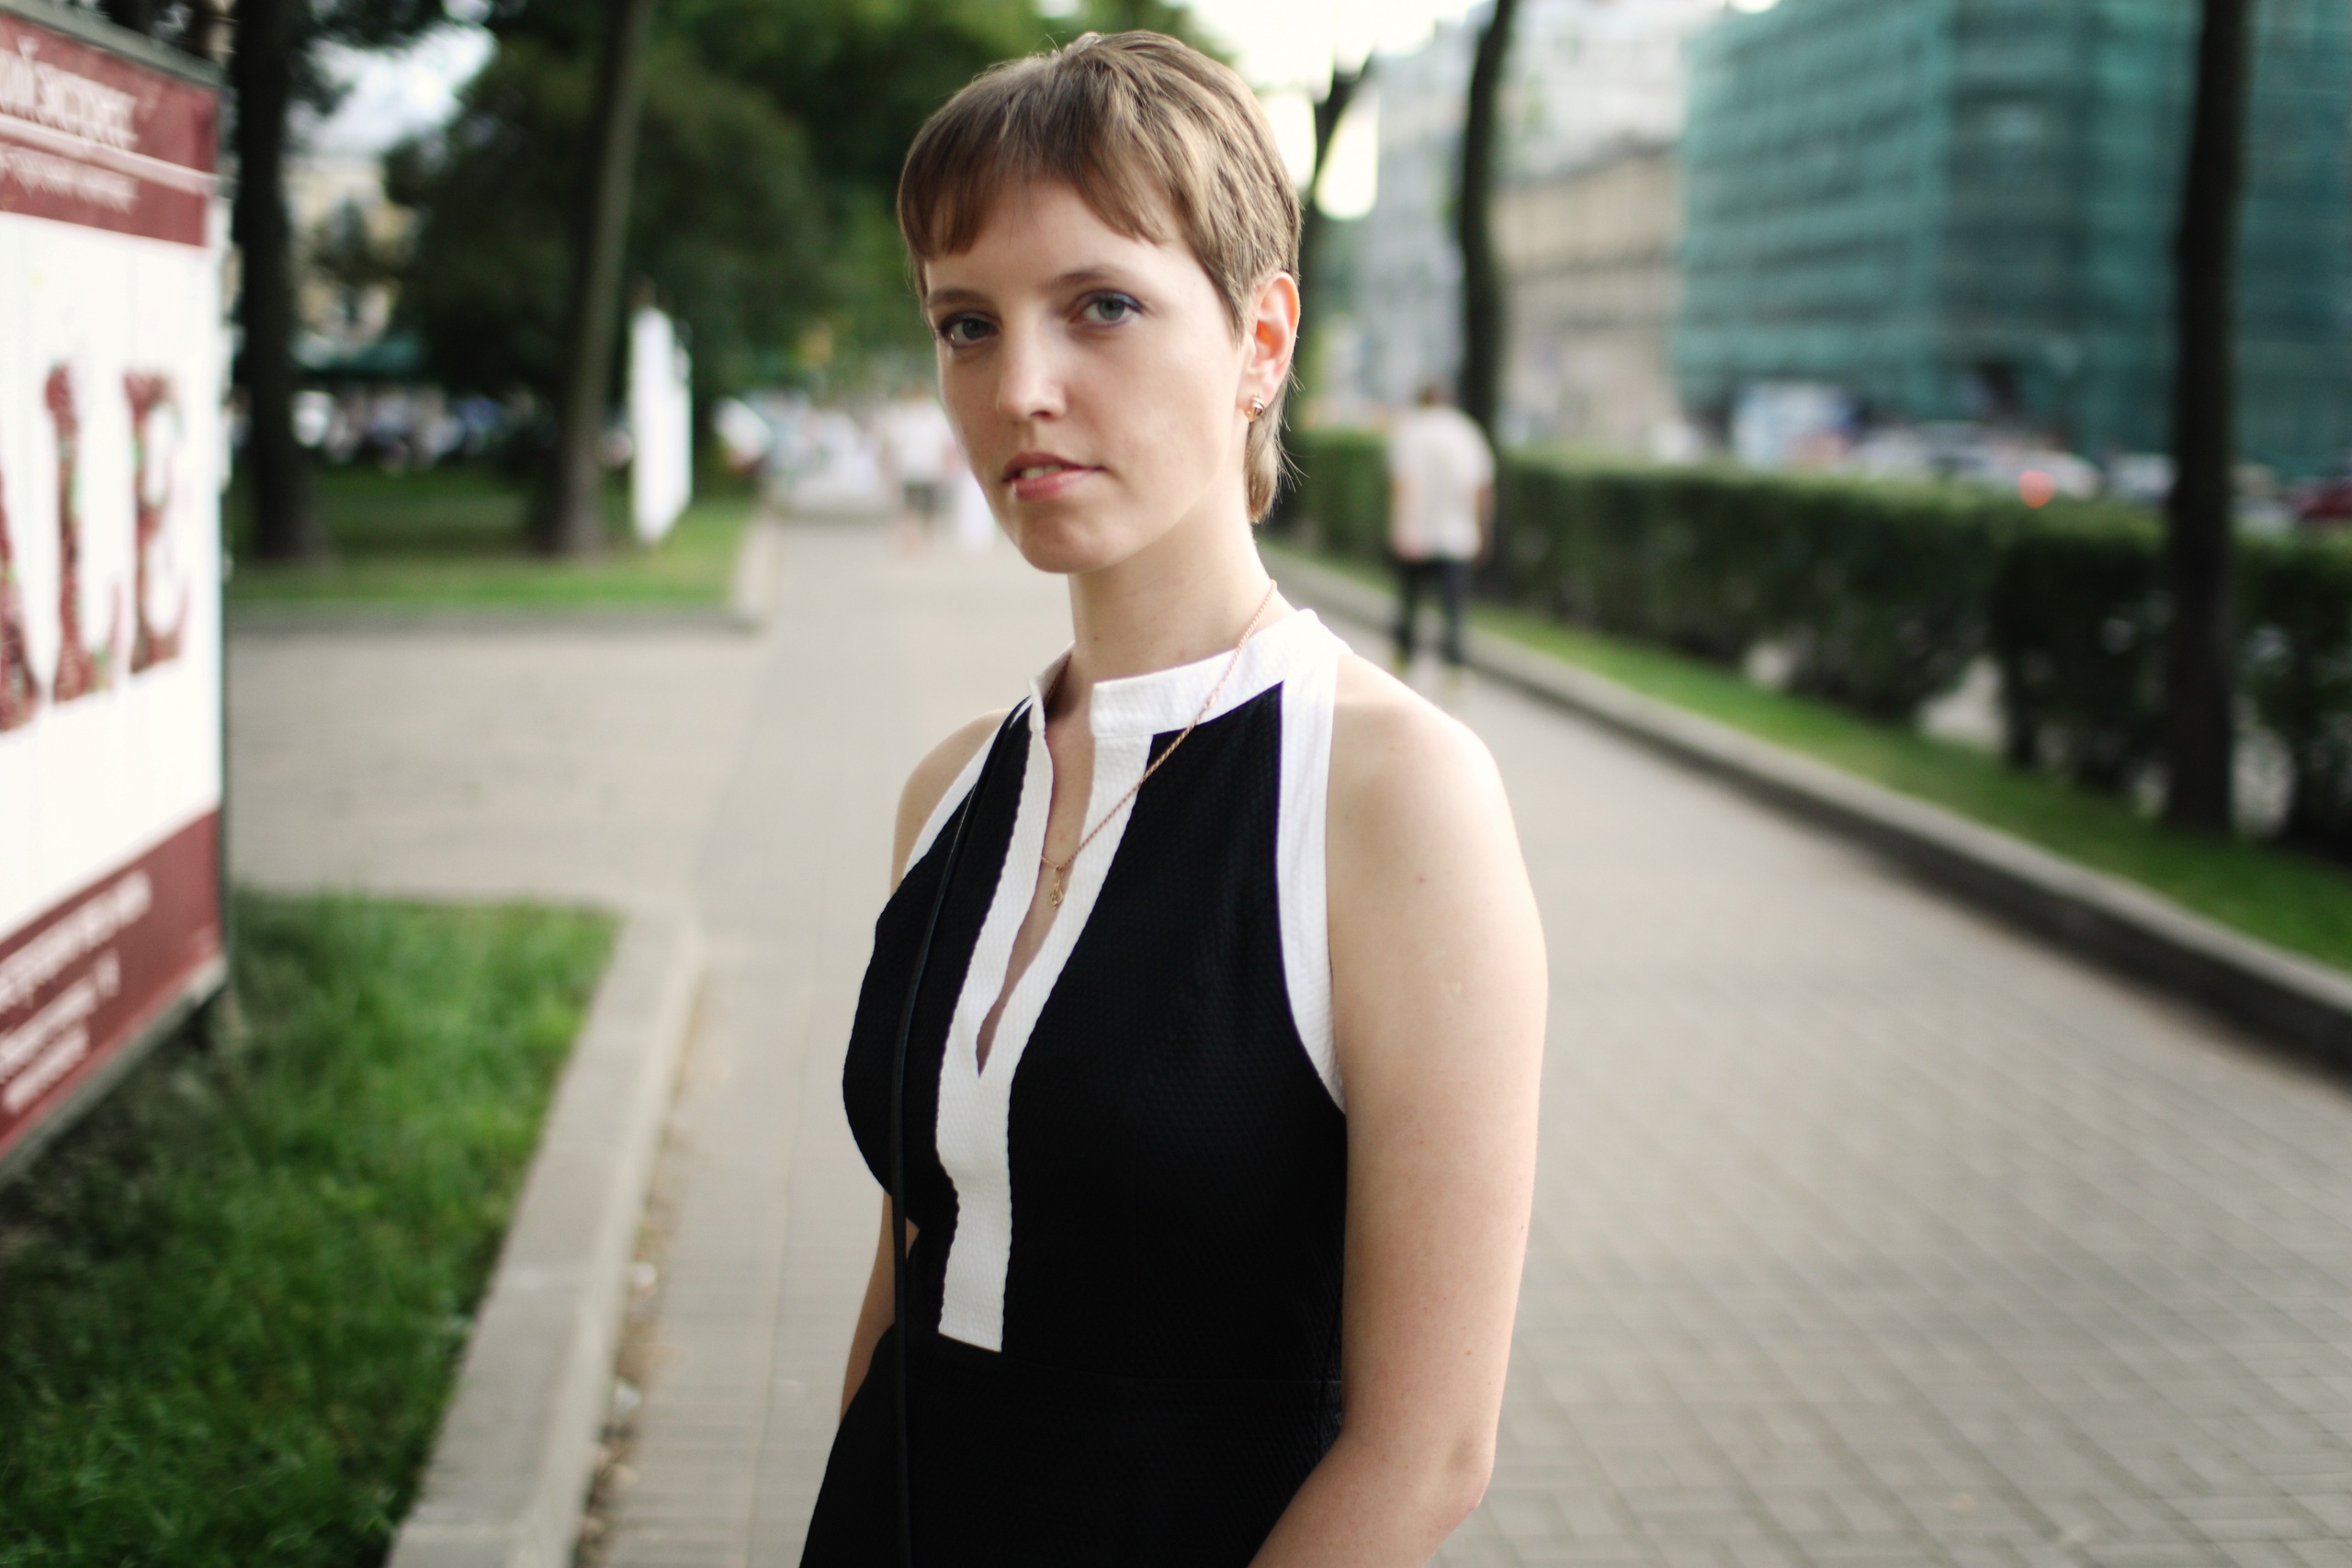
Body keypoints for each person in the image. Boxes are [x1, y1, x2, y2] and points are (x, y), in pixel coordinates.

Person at [803, 32, 1545, 1568]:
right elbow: (914, 1264)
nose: (1020, 388)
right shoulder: (954, 790)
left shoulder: (1391, 794)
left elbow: (1426, 1451)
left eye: (1102, 306)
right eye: (965, 323)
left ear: (1261, 340)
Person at [1385, 382, 1495, 675]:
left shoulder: (1411, 431)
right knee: (1454, 607)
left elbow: (1402, 482)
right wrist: (1483, 531)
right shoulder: (1466, 433)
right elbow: (1481, 486)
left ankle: (1403, 657)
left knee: (1410, 602)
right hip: (1457, 535)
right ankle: (1454, 666)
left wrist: (1400, 525)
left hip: (1417, 533)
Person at [879, 384, 959, 541]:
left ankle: (925, 534)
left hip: (929, 468)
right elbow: (893, 444)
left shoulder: (932, 415)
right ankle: (912, 534)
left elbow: (945, 443)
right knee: (911, 505)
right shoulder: (905, 416)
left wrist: (946, 466)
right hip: (911, 468)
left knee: (928, 506)